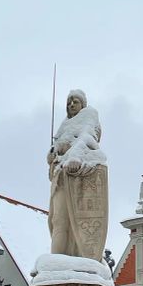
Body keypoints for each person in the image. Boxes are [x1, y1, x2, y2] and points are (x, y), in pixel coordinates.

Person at [47, 90, 109, 261]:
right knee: (58, 220)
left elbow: (88, 138)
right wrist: (52, 156)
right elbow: (56, 150)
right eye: (69, 102)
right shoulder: (64, 125)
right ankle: (57, 261)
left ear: (83, 104)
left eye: (75, 101)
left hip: (78, 179)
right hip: (61, 177)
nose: (71, 105)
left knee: (79, 224)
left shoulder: (89, 117)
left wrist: (75, 156)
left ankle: (82, 257)